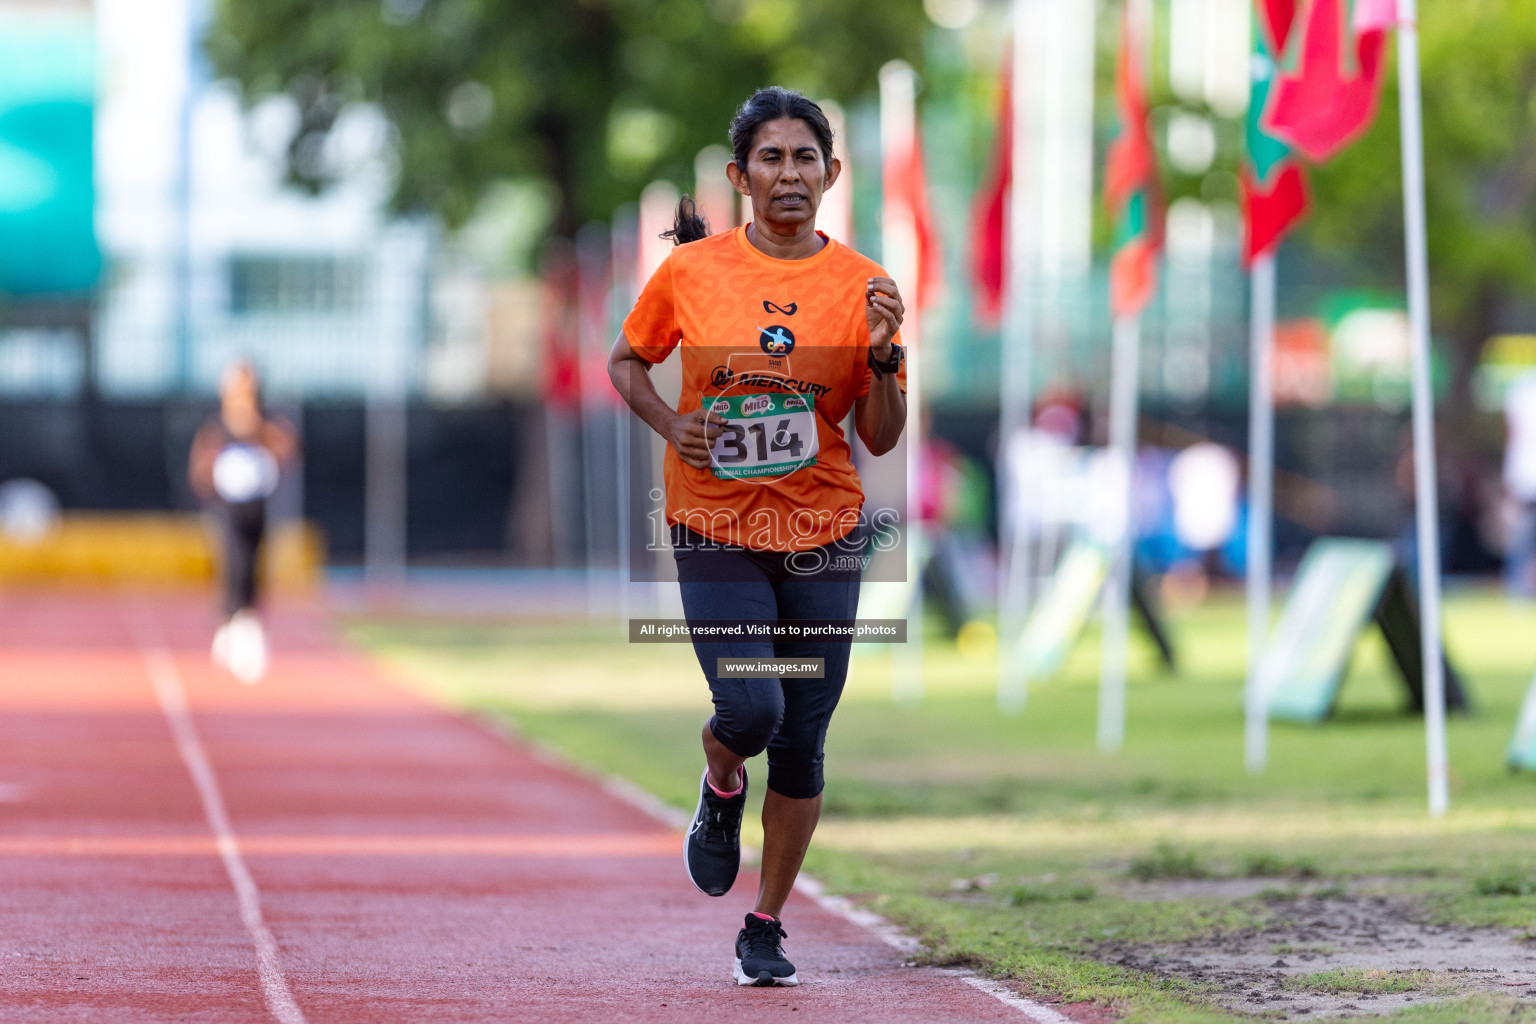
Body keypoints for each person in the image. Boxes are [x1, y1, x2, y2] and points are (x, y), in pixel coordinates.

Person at [608, 87, 906, 987]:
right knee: (753, 711)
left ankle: (766, 923)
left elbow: (882, 434)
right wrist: (671, 423)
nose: (789, 174)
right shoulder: (694, 274)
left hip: (825, 528)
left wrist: (887, 360)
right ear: (741, 177)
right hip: (714, 523)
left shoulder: (865, 284)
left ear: (832, 173)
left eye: (805, 158)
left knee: (805, 742)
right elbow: (625, 360)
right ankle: (721, 779)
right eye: (771, 159)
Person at [188, 362, 298, 683]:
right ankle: (230, 619)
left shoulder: (265, 425)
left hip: (256, 503)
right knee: (232, 557)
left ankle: (247, 619)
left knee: (253, 558)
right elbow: (201, 463)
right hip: (226, 505)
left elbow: (286, 447)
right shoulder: (218, 428)